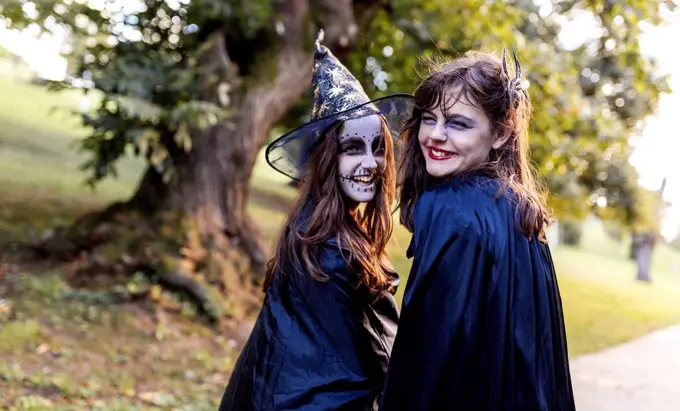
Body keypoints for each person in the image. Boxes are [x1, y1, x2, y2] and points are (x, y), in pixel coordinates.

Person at [218, 31, 413, 411]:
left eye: (377, 148)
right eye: (352, 147)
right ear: (327, 159)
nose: (370, 162)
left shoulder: (310, 229)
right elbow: (374, 368)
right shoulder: (333, 253)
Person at [379, 50, 576, 410]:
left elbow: (428, 357)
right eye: (429, 119)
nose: (435, 136)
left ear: (500, 134)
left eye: (458, 123)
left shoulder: (447, 208)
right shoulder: (522, 210)